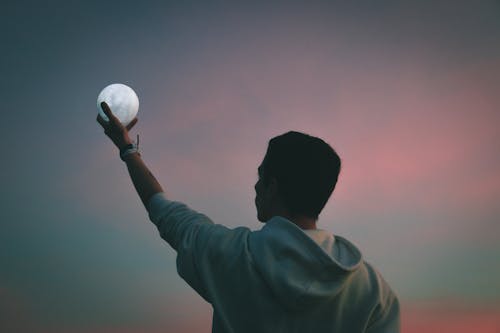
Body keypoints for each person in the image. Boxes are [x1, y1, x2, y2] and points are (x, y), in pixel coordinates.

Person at [97, 102, 400, 333]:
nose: (255, 185)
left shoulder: (230, 255)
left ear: (272, 187)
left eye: (261, 176)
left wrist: (127, 148)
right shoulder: (375, 292)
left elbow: (163, 210)